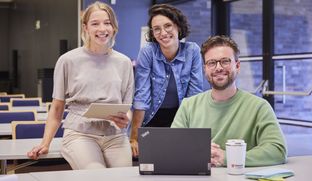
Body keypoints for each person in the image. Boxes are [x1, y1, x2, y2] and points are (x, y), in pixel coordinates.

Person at [27, 1, 134, 169]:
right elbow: (56, 109)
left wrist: (125, 119)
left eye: (107, 23)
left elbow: (126, 106)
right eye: (95, 23)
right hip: (80, 134)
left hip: (115, 135)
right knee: (96, 174)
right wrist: (45, 143)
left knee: (125, 177)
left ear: (114, 27)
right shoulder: (68, 60)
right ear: (85, 27)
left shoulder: (124, 62)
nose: (102, 29)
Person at [171, 35, 287, 167]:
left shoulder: (259, 107)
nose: (218, 68)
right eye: (212, 63)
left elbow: (278, 150)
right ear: (205, 69)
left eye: (225, 61)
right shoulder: (188, 105)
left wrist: (229, 157)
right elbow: (173, 148)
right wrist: (199, 151)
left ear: (237, 66)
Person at [130, 4, 204, 157]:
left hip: (181, 119)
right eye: (156, 28)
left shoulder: (192, 51)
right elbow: (141, 97)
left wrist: (192, 133)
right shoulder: (148, 52)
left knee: (182, 162)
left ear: (178, 26)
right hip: (151, 120)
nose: (163, 33)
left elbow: (194, 96)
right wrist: (134, 138)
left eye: (168, 26)